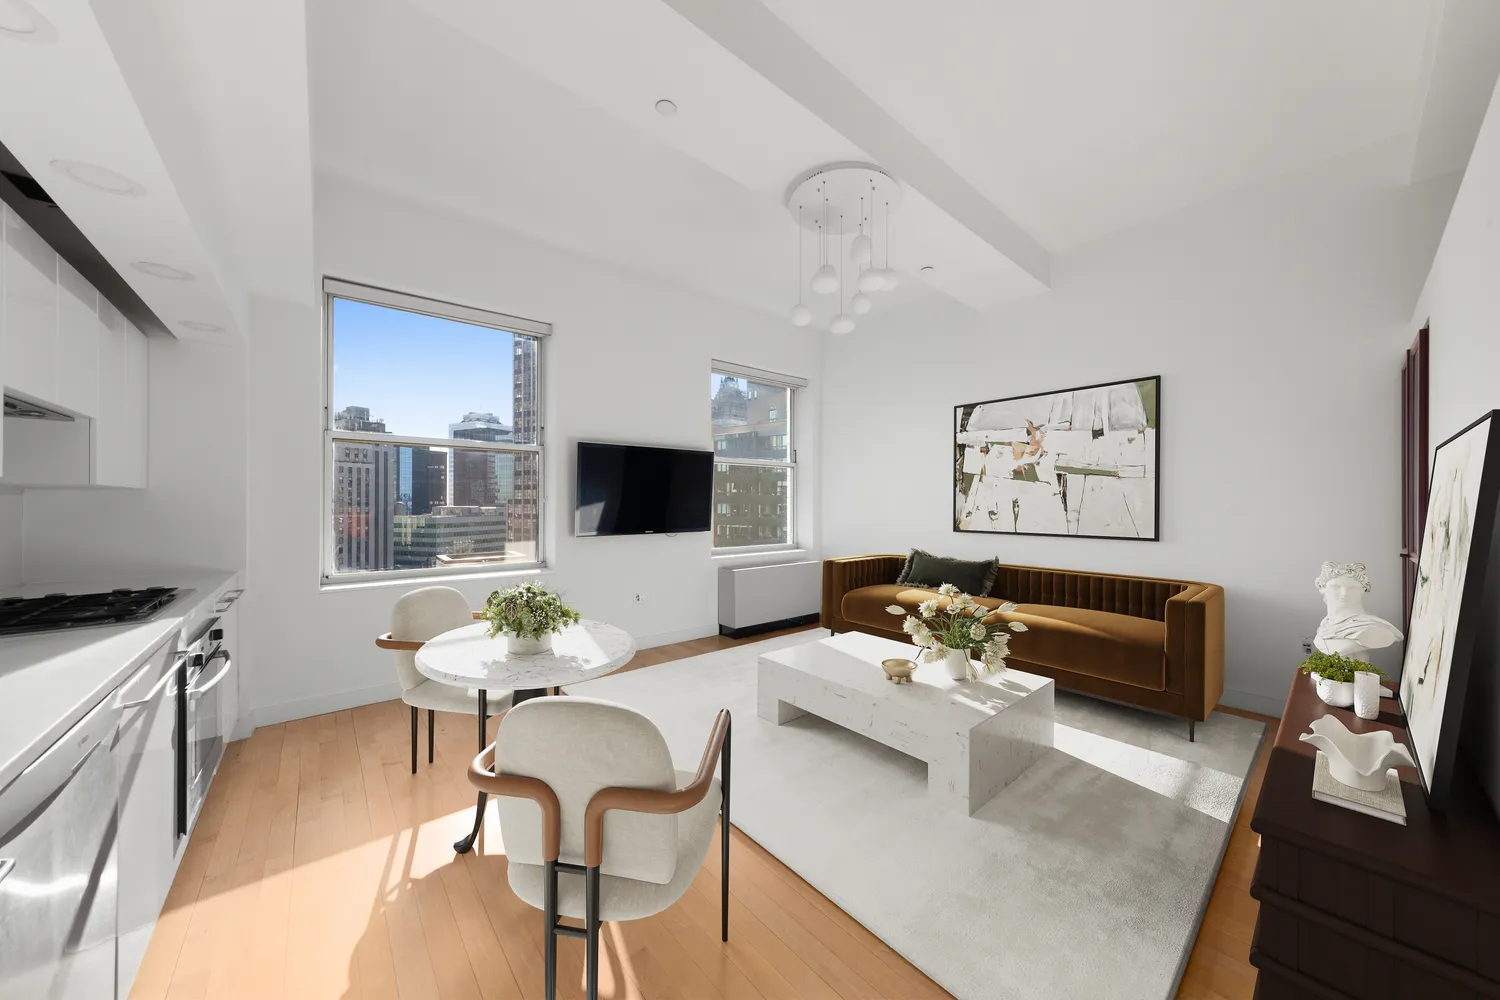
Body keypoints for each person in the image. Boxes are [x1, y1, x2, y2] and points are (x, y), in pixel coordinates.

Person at [1313, 561, 1402, 660]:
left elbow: (1385, 638)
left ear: (1362, 591)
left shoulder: (1373, 628)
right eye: (1336, 587)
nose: (1344, 593)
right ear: (1321, 588)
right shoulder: (1325, 626)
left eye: (1352, 588)